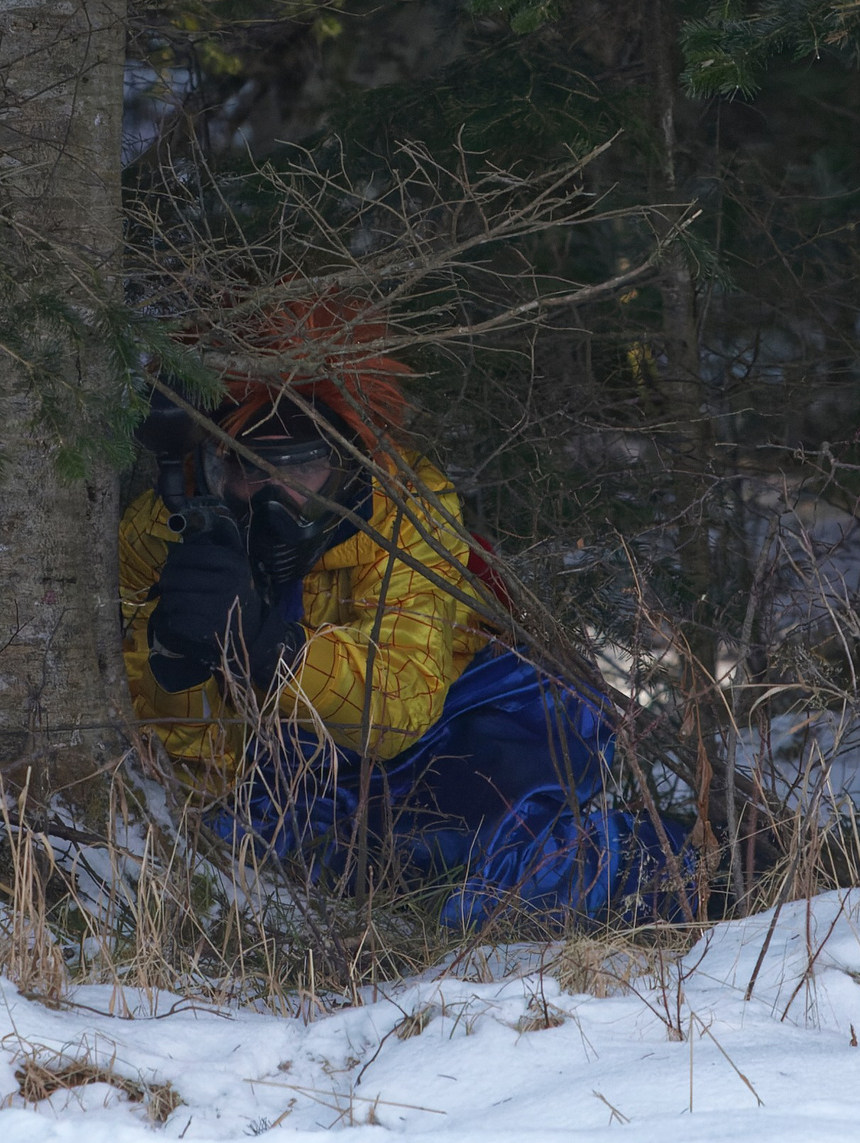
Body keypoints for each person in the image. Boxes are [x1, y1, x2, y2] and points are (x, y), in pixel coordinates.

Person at [120, 355, 685, 923]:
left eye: (302, 468)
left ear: (345, 462)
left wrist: (270, 648)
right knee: (264, 857)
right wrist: (176, 658)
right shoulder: (166, 532)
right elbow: (194, 778)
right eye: (250, 467)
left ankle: (694, 871)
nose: (276, 497)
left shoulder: (401, 507)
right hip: (291, 760)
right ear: (215, 470)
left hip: (456, 715)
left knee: (493, 861)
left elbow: (399, 705)